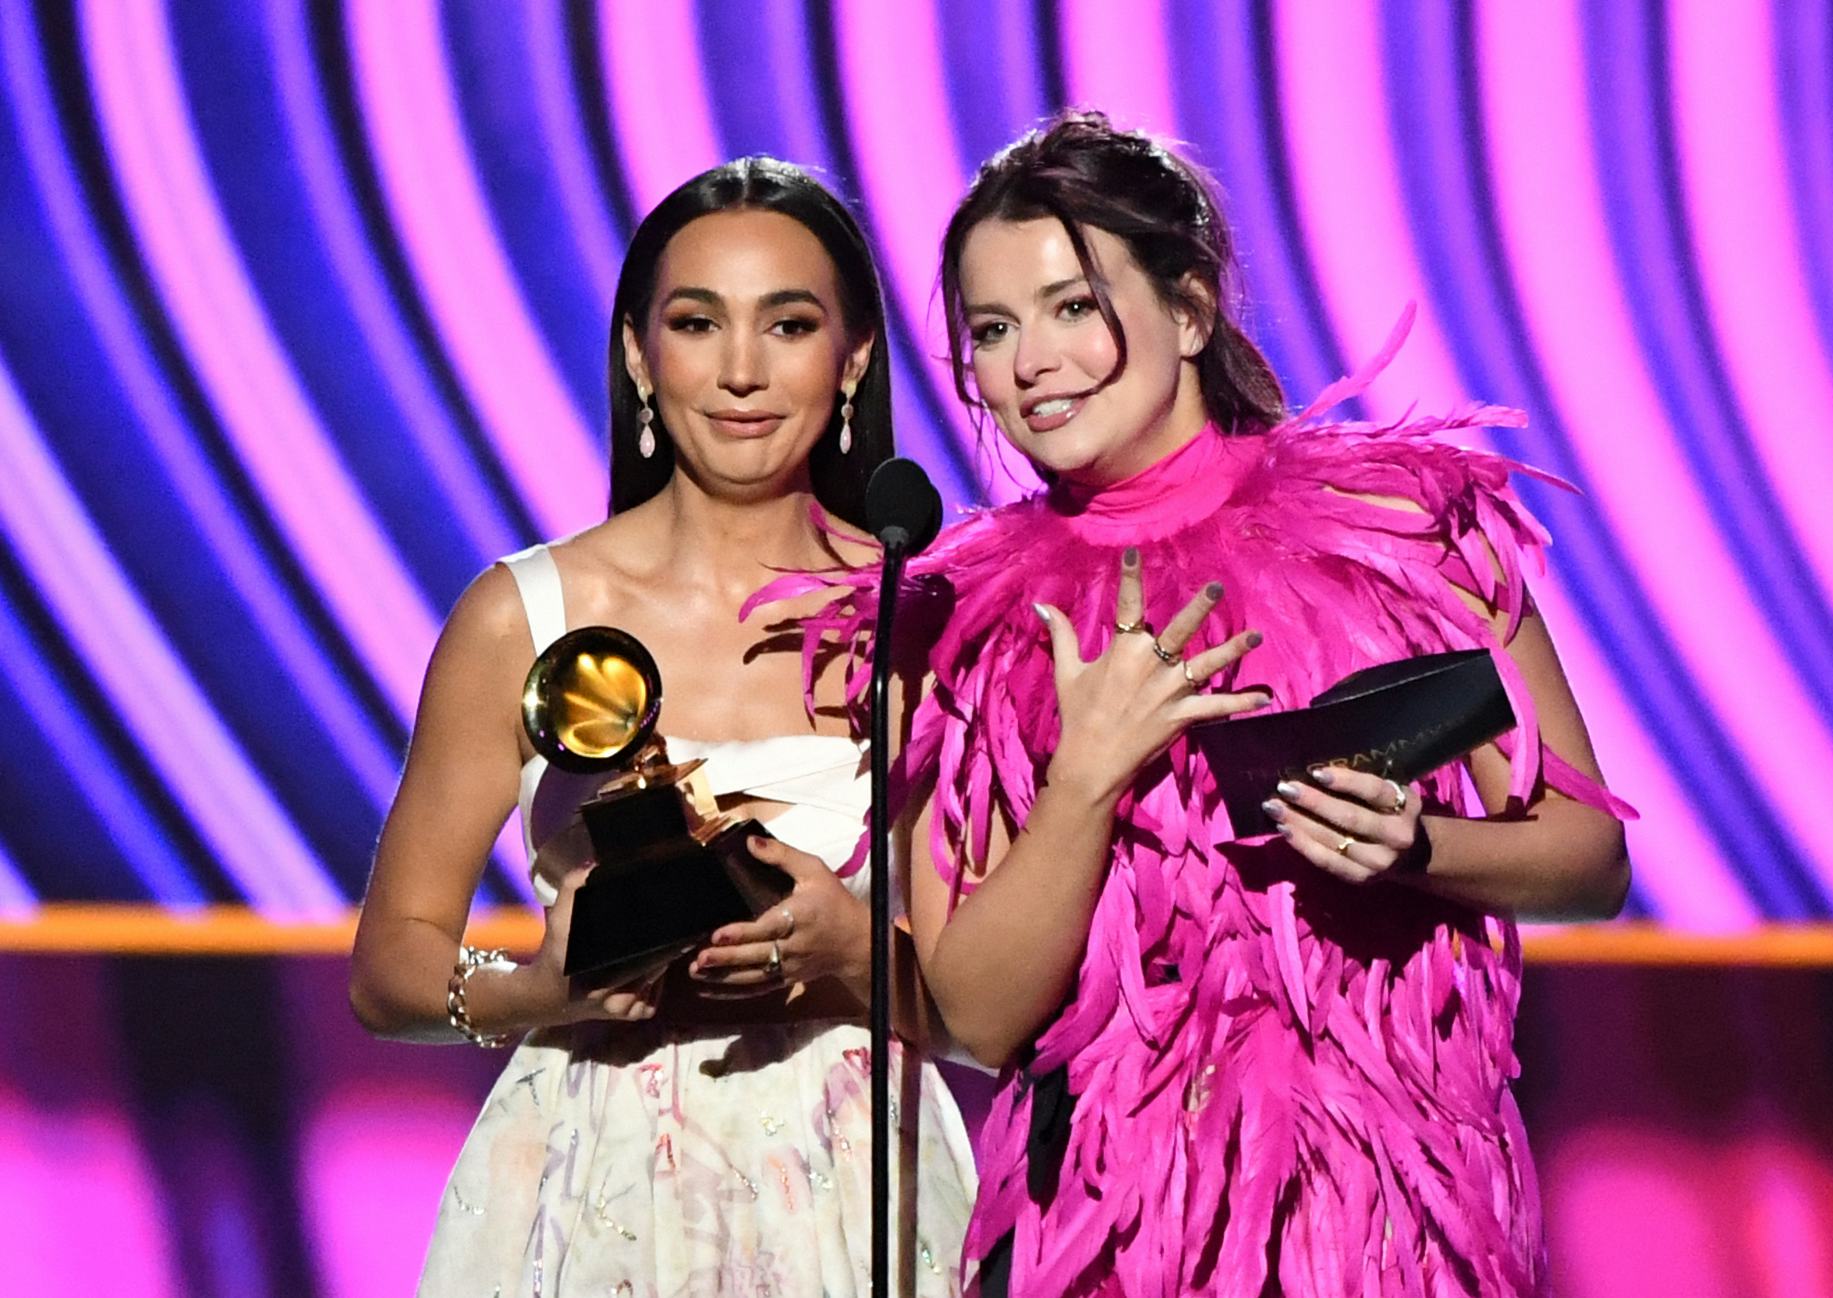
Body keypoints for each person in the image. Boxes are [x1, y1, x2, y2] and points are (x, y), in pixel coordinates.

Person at [780, 112, 1634, 1296]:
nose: (1029, 362)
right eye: (990, 328)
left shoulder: (1400, 528)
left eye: (1072, 305)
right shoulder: (958, 620)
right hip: (1104, 1224)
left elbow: (1587, 859)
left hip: (1379, 1210)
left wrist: (1416, 845)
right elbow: (976, 1012)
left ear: (1186, 310)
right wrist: (1083, 775)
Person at [349, 156, 976, 1297]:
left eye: (788, 324)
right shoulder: (520, 614)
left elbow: (990, 1008)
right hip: (586, 1180)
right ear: (641, 355)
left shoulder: (920, 618)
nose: (741, 371)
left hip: (854, 1187)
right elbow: (390, 964)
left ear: (854, 359)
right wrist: (549, 987)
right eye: (697, 323)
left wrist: (848, 952)